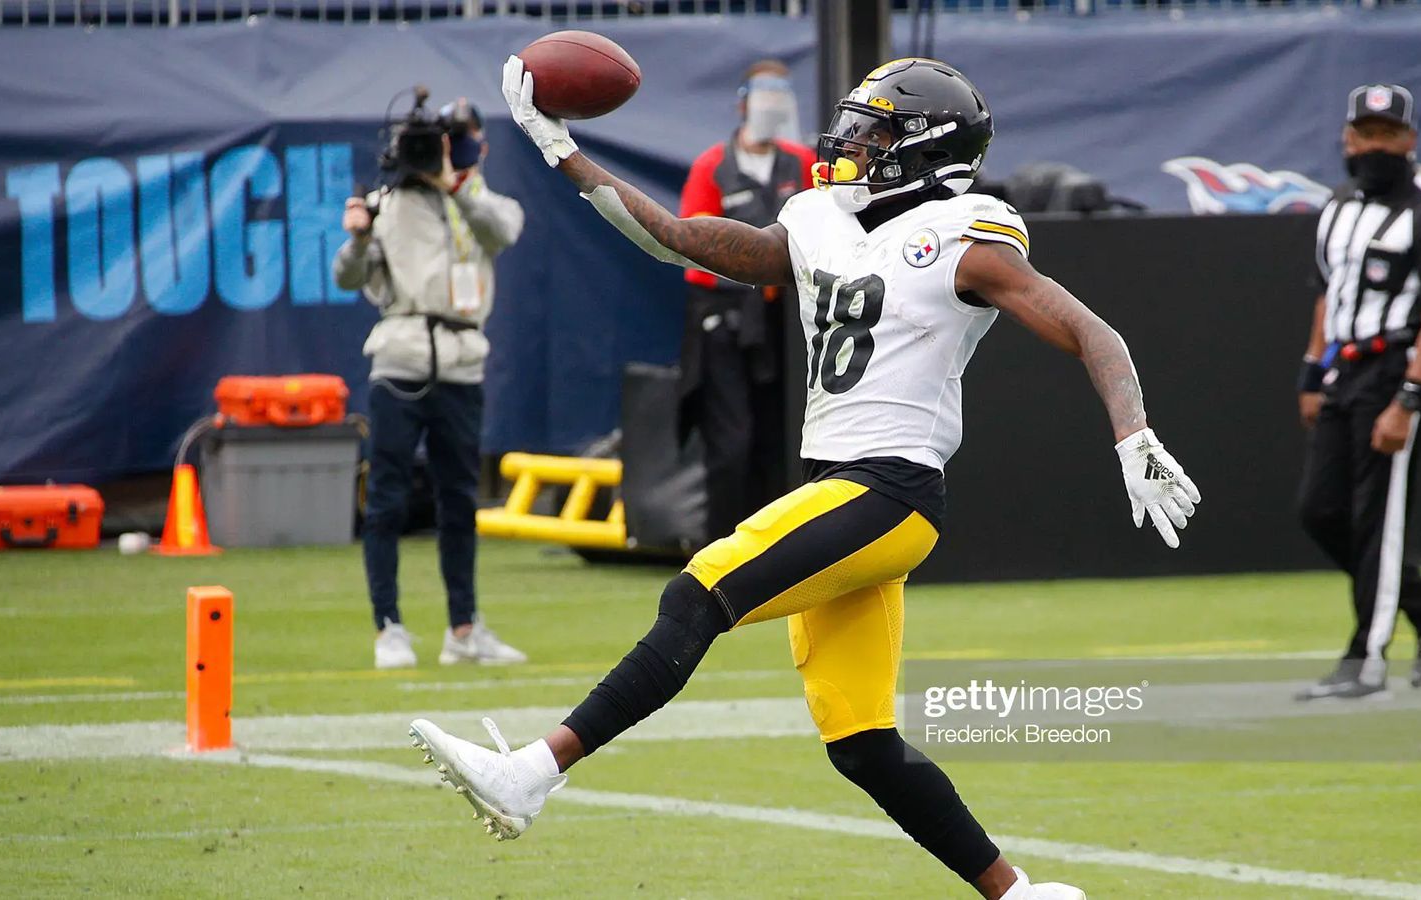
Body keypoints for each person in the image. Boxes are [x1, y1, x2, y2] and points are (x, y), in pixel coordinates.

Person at [410, 57, 1204, 900]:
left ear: (927, 149)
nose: (852, 142)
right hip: (843, 488)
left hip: (889, 490)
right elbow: (679, 237)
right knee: (861, 743)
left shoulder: (966, 236)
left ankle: (533, 771)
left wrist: (1134, 433)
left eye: (876, 130)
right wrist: (559, 147)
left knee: (698, 592)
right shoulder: (818, 219)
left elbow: (1091, 330)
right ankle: (1019, 893)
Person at [1294, 84, 1421, 700]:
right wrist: (1312, 372)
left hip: (1395, 368)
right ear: (1348, 139)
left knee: (1378, 520)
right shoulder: (1338, 205)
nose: (1375, 146)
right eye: (1365, 134)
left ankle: (1366, 660)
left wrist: (1410, 398)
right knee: (1320, 511)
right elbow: (1328, 293)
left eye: (1387, 135)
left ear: (1410, 141)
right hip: (1345, 369)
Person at [334, 99, 528, 669]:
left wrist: (453, 185)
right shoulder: (387, 204)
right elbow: (347, 275)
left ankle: (463, 630)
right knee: (387, 498)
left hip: (462, 362)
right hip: (400, 357)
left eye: (458, 140)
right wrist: (360, 236)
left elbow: (505, 230)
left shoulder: (480, 202)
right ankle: (388, 626)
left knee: (460, 499)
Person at [676, 60, 815, 541]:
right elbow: (691, 243)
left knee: (782, 438)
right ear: (742, 103)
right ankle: (718, 552)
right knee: (730, 440)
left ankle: (779, 549)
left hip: (787, 321)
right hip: (727, 317)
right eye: (764, 98)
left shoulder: (801, 162)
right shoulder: (714, 166)